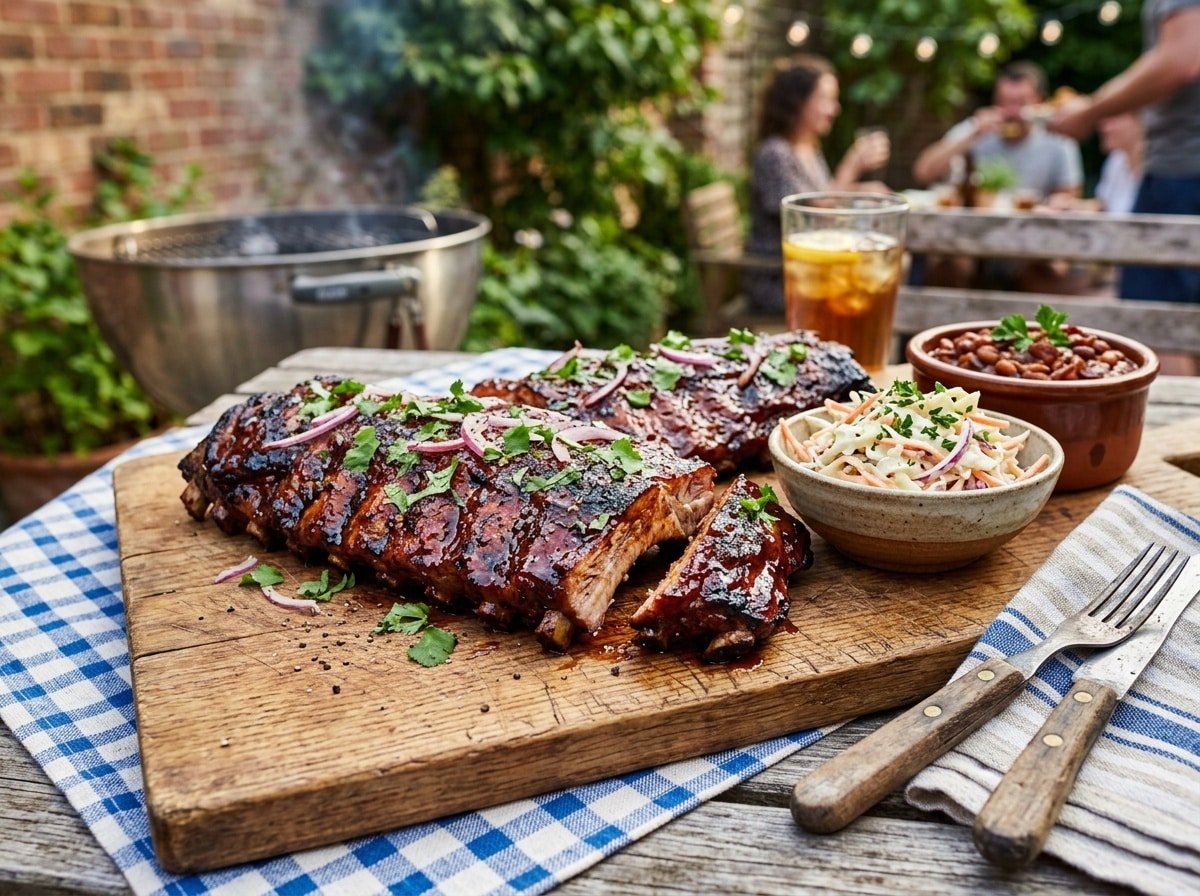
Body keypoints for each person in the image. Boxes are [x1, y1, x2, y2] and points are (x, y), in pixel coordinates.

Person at [1049, 0, 1200, 304]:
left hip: (1184, 172)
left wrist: (1089, 113)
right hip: (1180, 171)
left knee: (1157, 324)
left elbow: (1182, 59)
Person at [744, 55, 890, 313]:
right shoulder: (775, 154)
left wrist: (864, 191)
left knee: (883, 269)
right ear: (796, 102)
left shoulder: (808, 149)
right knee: (867, 285)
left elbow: (823, 196)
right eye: (825, 99)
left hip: (812, 265)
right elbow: (816, 215)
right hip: (781, 276)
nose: (835, 109)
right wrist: (852, 165)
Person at [912, 61, 1083, 204]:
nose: (1011, 112)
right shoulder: (978, 129)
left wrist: (1060, 202)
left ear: (1040, 101)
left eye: (1020, 103)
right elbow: (924, 172)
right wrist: (973, 133)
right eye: (1004, 102)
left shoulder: (1058, 138)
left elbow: (1070, 195)